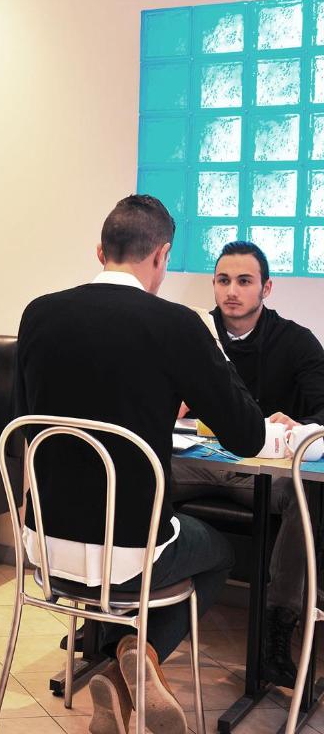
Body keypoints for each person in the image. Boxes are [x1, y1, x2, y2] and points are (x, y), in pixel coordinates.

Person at [14, 195, 265, 734]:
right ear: (161, 255)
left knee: (141, 539)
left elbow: (21, 421)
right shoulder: (176, 324)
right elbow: (248, 435)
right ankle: (137, 653)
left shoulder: (38, 313)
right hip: (130, 555)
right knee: (218, 553)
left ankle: (116, 665)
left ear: (100, 251)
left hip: (41, 548)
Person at [173, 240, 324, 688]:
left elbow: (323, 410)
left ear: (266, 288)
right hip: (199, 464)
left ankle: (277, 631)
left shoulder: (295, 341)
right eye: (223, 280)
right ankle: (114, 614)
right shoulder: (192, 336)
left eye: (244, 281)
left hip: (264, 471)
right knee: (136, 470)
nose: (232, 291)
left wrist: (300, 423)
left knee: (306, 494)